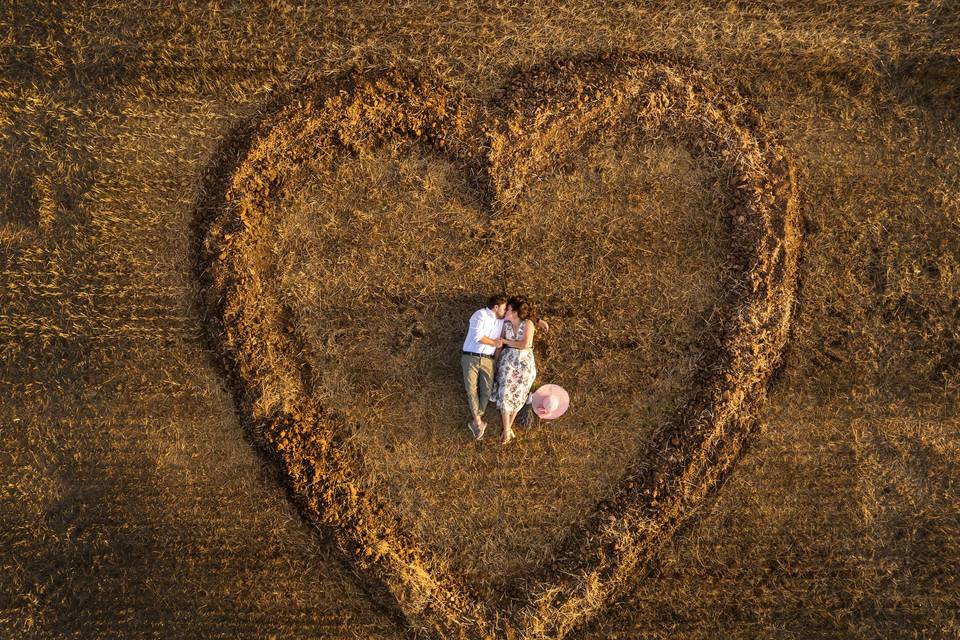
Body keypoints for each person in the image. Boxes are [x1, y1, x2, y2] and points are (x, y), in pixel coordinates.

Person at [492, 296, 539, 445]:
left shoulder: (528, 324)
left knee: (519, 394)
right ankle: (507, 430)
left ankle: (507, 430)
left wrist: (505, 341)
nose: (505, 310)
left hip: (525, 363)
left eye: (509, 308)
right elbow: (499, 345)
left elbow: (525, 344)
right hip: (508, 361)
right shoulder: (505, 325)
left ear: (515, 311)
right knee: (505, 391)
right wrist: (495, 361)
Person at [461, 295, 508, 440]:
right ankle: (478, 421)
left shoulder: (502, 321)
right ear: (496, 307)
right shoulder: (480, 314)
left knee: (487, 391)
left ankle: (476, 420)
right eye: (504, 308)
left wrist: (538, 321)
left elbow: (521, 315)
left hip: (488, 360)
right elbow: (477, 337)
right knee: (471, 389)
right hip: (471, 357)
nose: (506, 311)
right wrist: (494, 343)